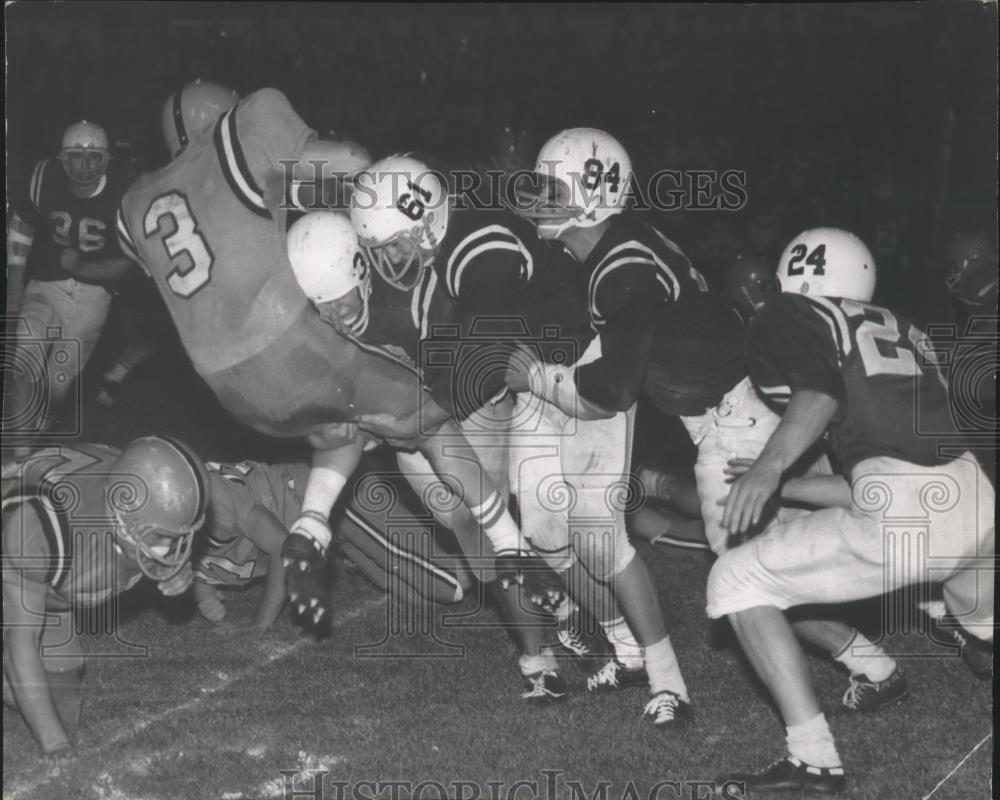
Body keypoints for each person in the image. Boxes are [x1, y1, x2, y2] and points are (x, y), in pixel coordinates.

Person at [115, 81, 515, 628]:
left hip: (229, 390)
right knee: (428, 412)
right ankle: (516, 548)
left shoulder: (134, 201)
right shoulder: (246, 125)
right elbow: (351, 161)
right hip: (286, 342)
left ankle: (309, 527)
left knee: (340, 430)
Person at [712, 227, 995, 793]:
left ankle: (813, 759)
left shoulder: (789, 312)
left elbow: (820, 395)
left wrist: (770, 466)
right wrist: (785, 487)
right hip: (977, 499)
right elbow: (888, 469)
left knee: (735, 578)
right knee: (989, 627)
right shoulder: (904, 325)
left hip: (901, 506)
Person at [287, 207, 568, 702]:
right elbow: (346, 428)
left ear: (360, 267)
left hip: (462, 401)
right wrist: (314, 517)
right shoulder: (320, 330)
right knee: (467, 529)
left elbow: (445, 409)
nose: (333, 314)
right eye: (319, 305)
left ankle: (541, 648)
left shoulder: (412, 300)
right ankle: (553, 612)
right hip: (410, 416)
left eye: (338, 298)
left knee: (484, 526)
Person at [507, 127, 696, 728]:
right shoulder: (584, 247)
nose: (537, 198)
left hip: (631, 384)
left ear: (590, 196)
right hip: (576, 373)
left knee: (595, 529)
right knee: (542, 525)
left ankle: (670, 680)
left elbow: (614, 386)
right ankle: (627, 648)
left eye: (550, 188)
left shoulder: (621, 258)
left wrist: (537, 377)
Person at [2, 438, 206, 762]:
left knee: (59, 704)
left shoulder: (139, 495)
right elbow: (21, 641)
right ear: (123, 518)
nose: (171, 550)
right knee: (42, 711)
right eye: (161, 539)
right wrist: (57, 748)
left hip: (51, 580)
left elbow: (164, 524)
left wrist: (173, 570)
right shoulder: (41, 526)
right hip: (13, 542)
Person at [193, 457, 468, 630]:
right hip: (324, 535)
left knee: (446, 584)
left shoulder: (216, 497)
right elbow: (188, 557)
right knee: (418, 598)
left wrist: (259, 625)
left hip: (329, 497)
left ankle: (501, 545)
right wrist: (204, 593)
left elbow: (283, 549)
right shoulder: (174, 516)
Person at [4, 121, 135, 453]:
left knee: (57, 380)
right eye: (77, 157)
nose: (85, 166)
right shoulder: (44, 179)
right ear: (63, 159)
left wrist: (84, 267)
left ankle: (40, 423)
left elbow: (130, 264)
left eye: (94, 159)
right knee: (26, 351)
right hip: (46, 283)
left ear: (107, 161)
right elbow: (22, 223)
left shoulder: (125, 194)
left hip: (94, 294)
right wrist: (16, 281)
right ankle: (20, 454)